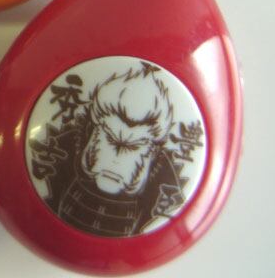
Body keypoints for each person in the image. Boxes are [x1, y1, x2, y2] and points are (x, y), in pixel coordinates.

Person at [30, 63, 199, 237]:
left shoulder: (166, 178)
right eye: (111, 139)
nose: (116, 159)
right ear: (91, 131)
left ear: (152, 151)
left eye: (133, 146)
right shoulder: (64, 144)